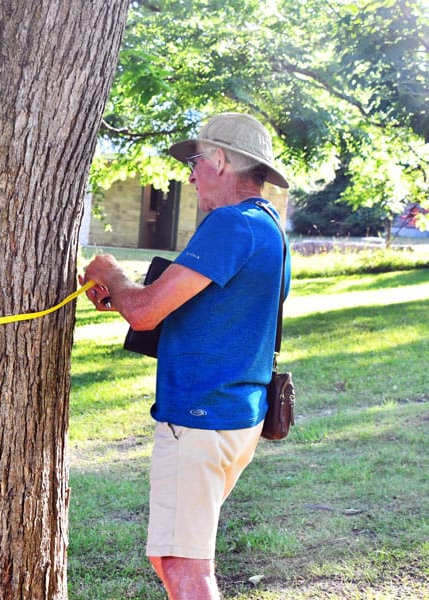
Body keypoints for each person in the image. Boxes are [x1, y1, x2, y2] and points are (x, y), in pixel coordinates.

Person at [80, 113, 291, 599]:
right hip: (235, 417)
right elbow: (202, 312)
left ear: (220, 159)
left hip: (200, 421)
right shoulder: (269, 228)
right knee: (175, 557)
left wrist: (112, 277)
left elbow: (148, 312)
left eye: (195, 161)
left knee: (182, 567)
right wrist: (121, 293)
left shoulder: (228, 224)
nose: (190, 174)